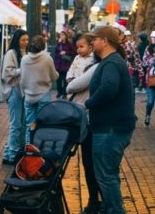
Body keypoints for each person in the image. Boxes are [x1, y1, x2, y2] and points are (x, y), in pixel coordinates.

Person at [85, 26, 136, 214]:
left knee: (105, 175)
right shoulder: (112, 62)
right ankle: (111, 208)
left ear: (105, 41)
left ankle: (115, 210)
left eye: (95, 39)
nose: (92, 42)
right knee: (109, 174)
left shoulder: (112, 63)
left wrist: (88, 103)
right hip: (112, 128)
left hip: (110, 129)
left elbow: (108, 88)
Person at [66, 33, 102, 213]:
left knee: (93, 163)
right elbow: (69, 79)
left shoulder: (96, 64)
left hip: (90, 116)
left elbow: (72, 86)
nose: (79, 50)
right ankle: (95, 199)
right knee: (89, 162)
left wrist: (74, 83)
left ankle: (98, 200)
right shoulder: (78, 61)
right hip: (82, 114)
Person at [19, 35, 58, 144]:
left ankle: (29, 149)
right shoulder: (47, 58)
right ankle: (41, 148)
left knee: (29, 124)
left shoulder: (24, 59)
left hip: (28, 95)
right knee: (43, 123)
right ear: (43, 46)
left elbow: (22, 77)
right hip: (43, 94)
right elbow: (54, 76)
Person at [0, 29, 28, 165]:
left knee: (21, 124)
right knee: (16, 124)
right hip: (14, 90)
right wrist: (24, 70)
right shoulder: (11, 53)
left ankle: (11, 152)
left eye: (27, 40)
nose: (25, 43)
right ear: (17, 40)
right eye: (23, 40)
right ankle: (12, 154)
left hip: (22, 91)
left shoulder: (24, 53)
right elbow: (6, 73)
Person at [54, 31, 76, 99]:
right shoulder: (59, 44)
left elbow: (73, 52)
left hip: (66, 64)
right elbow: (56, 53)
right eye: (60, 35)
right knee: (58, 80)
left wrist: (66, 52)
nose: (61, 36)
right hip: (59, 64)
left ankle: (64, 93)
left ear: (66, 36)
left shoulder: (69, 44)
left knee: (65, 79)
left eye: (63, 35)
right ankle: (59, 92)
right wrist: (59, 54)